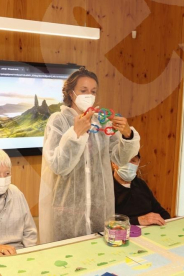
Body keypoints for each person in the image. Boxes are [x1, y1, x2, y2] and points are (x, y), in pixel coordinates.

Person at [39, 67, 140, 243]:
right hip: (67, 212)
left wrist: (126, 135)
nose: (89, 95)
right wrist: (75, 134)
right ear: (71, 93)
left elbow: (119, 158)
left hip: (98, 210)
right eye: (83, 91)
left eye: (93, 91)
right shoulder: (58, 121)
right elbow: (58, 165)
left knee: (99, 260)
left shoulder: (102, 122)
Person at [112, 153, 171, 226]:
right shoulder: (106, 187)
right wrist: (138, 220)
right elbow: (104, 222)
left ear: (138, 163)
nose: (129, 165)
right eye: (124, 161)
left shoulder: (140, 184)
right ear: (114, 163)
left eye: (133, 161)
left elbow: (160, 211)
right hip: (120, 234)